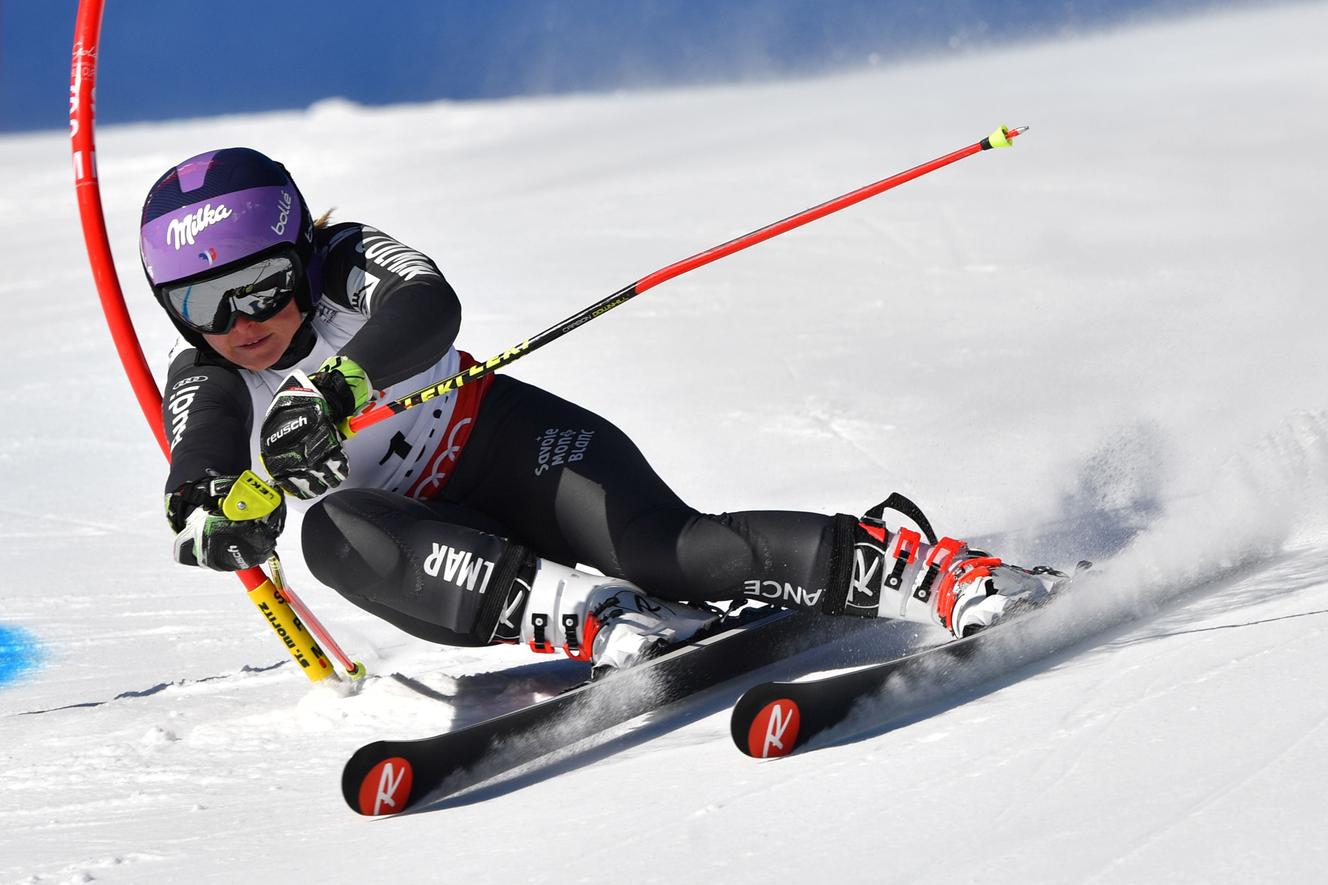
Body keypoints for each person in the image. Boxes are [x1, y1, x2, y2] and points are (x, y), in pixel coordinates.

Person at [141, 147, 1060, 671]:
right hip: (428, 541)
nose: (242, 324)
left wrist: (334, 387)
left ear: (301, 254)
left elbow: (428, 306)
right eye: (202, 305)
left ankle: (936, 574)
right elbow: (200, 462)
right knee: (329, 534)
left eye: (260, 286)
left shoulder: (344, 260)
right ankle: (599, 617)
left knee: (677, 552)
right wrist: (218, 515)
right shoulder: (208, 376)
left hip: (506, 444)